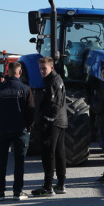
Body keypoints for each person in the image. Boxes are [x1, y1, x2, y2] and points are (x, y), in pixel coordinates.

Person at [0, 61, 35, 200]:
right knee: (19, 162)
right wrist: (29, 128)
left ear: (8, 72)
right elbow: (31, 112)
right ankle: (18, 192)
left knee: (1, 162)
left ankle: (0, 192)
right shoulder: (26, 89)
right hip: (20, 130)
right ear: (20, 73)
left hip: (3, 130)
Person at [32, 57, 67, 197]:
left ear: (51, 68)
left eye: (44, 68)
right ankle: (60, 184)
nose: (41, 71)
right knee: (59, 153)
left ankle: (48, 186)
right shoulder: (53, 80)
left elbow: (55, 104)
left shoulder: (53, 81)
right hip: (60, 121)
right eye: (40, 68)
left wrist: (46, 120)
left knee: (48, 154)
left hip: (53, 122)